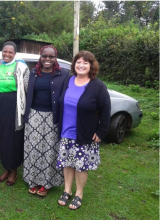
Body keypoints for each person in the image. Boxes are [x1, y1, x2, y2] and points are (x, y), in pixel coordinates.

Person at [56, 51, 111, 210]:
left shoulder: (98, 86)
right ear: (74, 64)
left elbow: (105, 110)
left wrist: (101, 132)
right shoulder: (68, 80)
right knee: (67, 163)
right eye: (78, 62)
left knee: (80, 165)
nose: (81, 65)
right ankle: (67, 190)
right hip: (66, 131)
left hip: (85, 133)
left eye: (85, 63)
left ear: (91, 66)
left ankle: (79, 194)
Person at [23, 45, 69, 196]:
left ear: (55, 58)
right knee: (33, 149)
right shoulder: (34, 72)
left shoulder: (62, 74)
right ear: (40, 56)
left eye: (51, 56)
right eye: (44, 56)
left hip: (52, 118)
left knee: (49, 151)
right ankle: (33, 180)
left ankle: (46, 183)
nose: (47, 59)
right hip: (34, 115)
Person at [0, 41, 29, 186]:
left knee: (13, 138)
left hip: (14, 106)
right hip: (0, 105)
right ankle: (6, 169)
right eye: (5, 51)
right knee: (2, 137)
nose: (7, 54)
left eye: (10, 52)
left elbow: (26, 89)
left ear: (15, 54)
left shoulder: (21, 67)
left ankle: (14, 171)